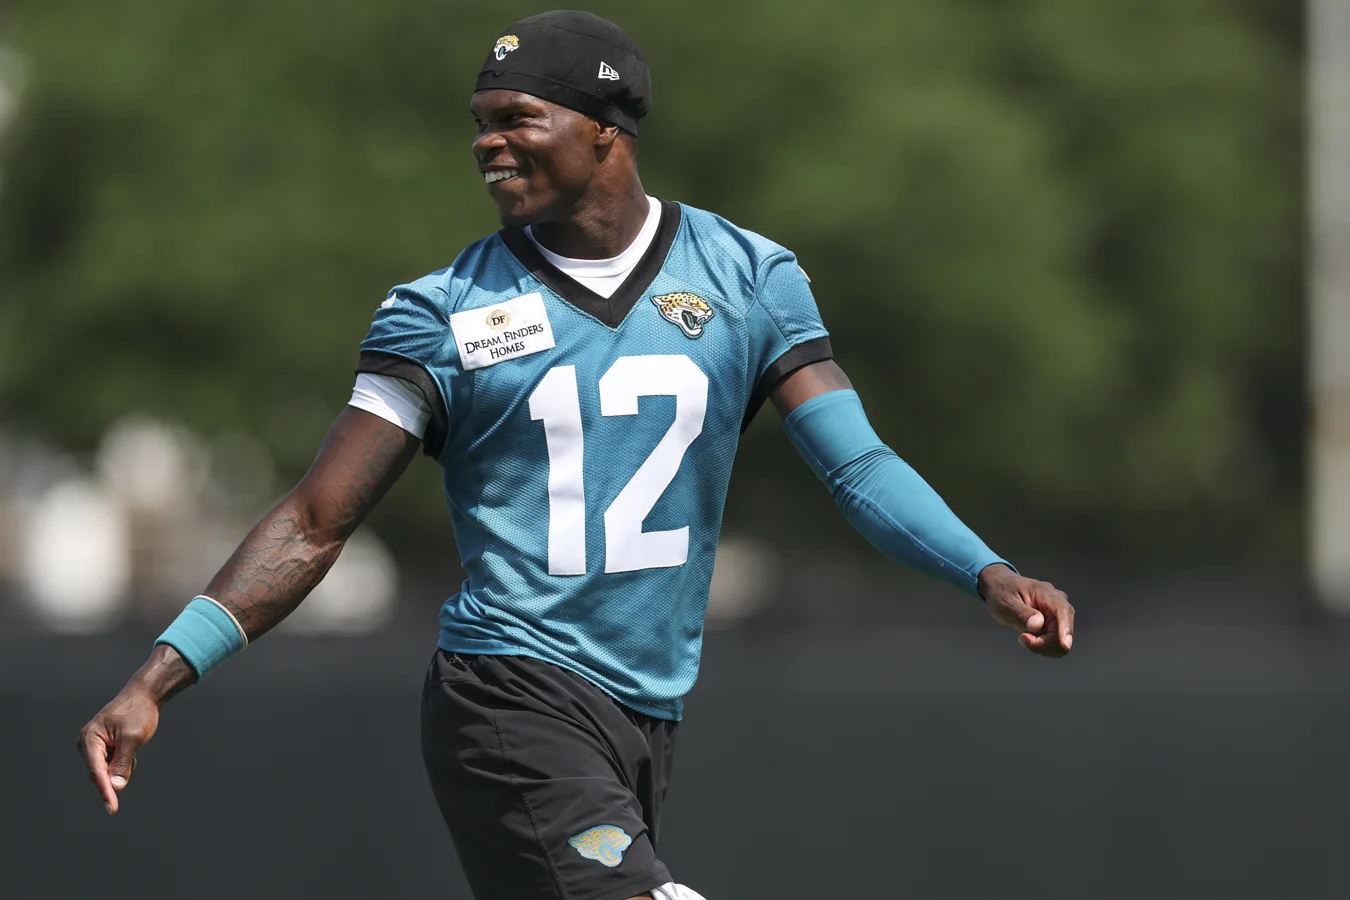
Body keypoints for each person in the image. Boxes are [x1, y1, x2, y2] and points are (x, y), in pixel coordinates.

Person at [77, 11, 1075, 900]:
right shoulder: (440, 315)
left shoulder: (748, 276)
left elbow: (856, 465)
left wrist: (987, 572)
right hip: (507, 695)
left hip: (645, 711)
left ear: (606, 127)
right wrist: (158, 677)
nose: (487, 143)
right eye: (480, 122)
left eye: (517, 117)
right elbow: (314, 521)